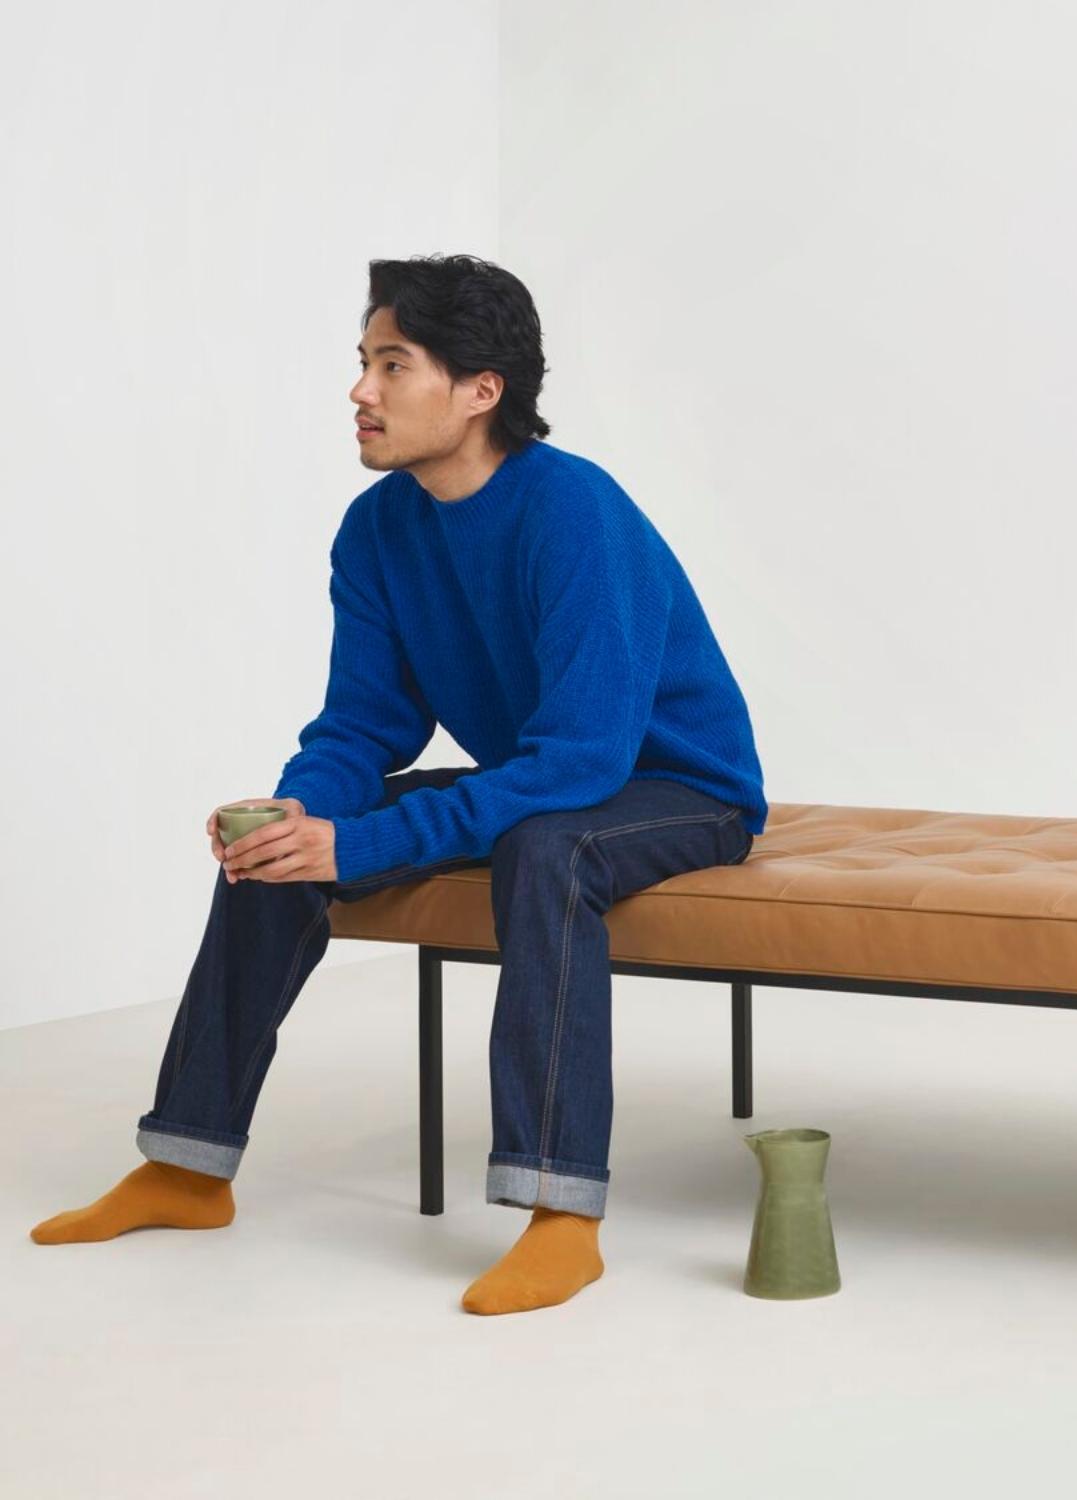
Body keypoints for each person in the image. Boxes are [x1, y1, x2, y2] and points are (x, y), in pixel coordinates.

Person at [29, 255, 768, 1316]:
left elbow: (583, 761)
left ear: (480, 390)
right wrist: (305, 812)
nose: (360, 391)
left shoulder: (573, 513)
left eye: (391, 363)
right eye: (362, 361)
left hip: (673, 784)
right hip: (547, 770)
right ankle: (188, 1165)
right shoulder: (378, 527)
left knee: (546, 847)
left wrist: (366, 846)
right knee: (282, 840)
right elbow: (364, 722)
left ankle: (562, 1214)